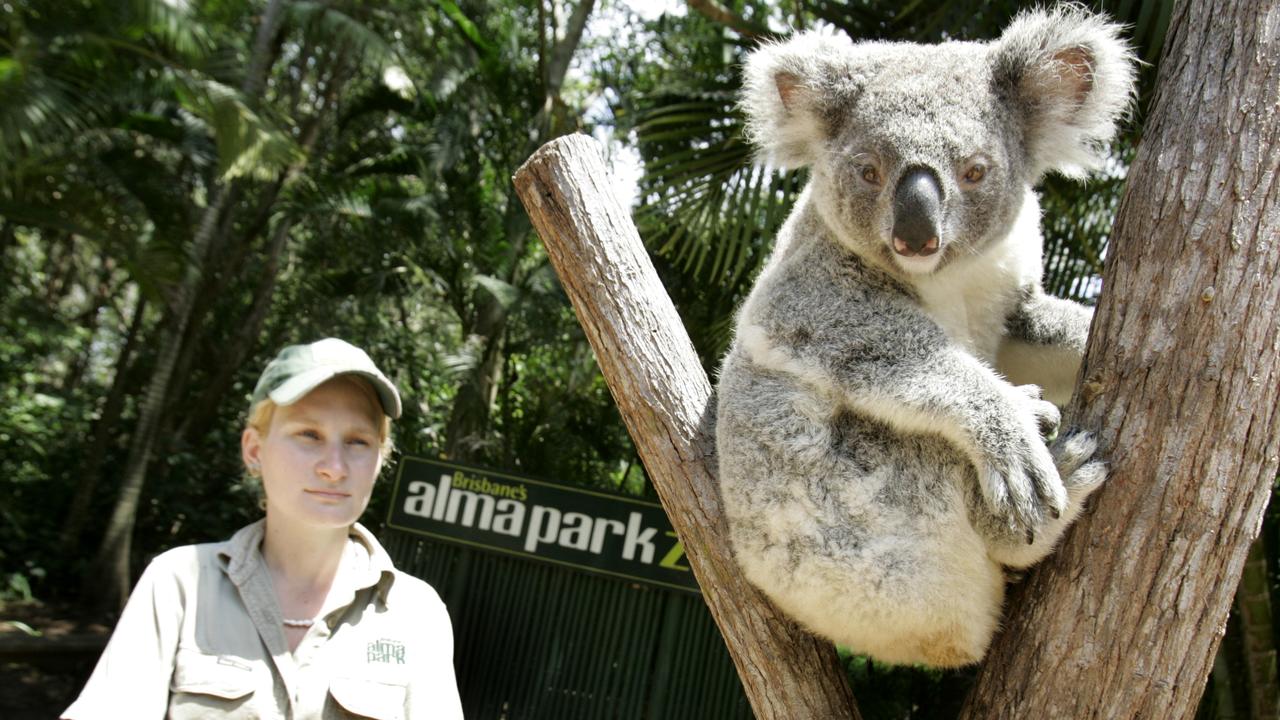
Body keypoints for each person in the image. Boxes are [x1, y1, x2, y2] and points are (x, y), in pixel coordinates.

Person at [63, 338, 464, 719]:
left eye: (358, 442)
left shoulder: (417, 613)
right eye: (309, 435)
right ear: (254, 450)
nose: (334, 467)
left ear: (380, 459)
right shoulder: (180, 583)